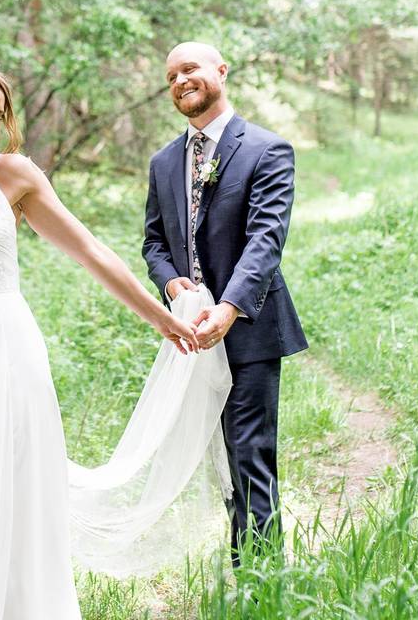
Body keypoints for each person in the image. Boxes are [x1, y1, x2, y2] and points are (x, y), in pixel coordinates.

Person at [0, 58, 203, 619]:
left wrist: (162, 317)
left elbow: (90, 251)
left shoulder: (14, 175)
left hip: (8, 360)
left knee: (17, 496)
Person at [143, 42, 309, 562]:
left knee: (249, 451)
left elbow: (266, 239)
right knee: (212, 453)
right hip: (191, 333)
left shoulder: (266, 149)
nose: (179, 82)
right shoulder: (164, 162)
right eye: (170, 76)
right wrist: (172, 285)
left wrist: (230, 307)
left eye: (189, 69)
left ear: (221, 71)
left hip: (250, 327)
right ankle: (243, 562)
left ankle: (262, 581)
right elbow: (153, 242)